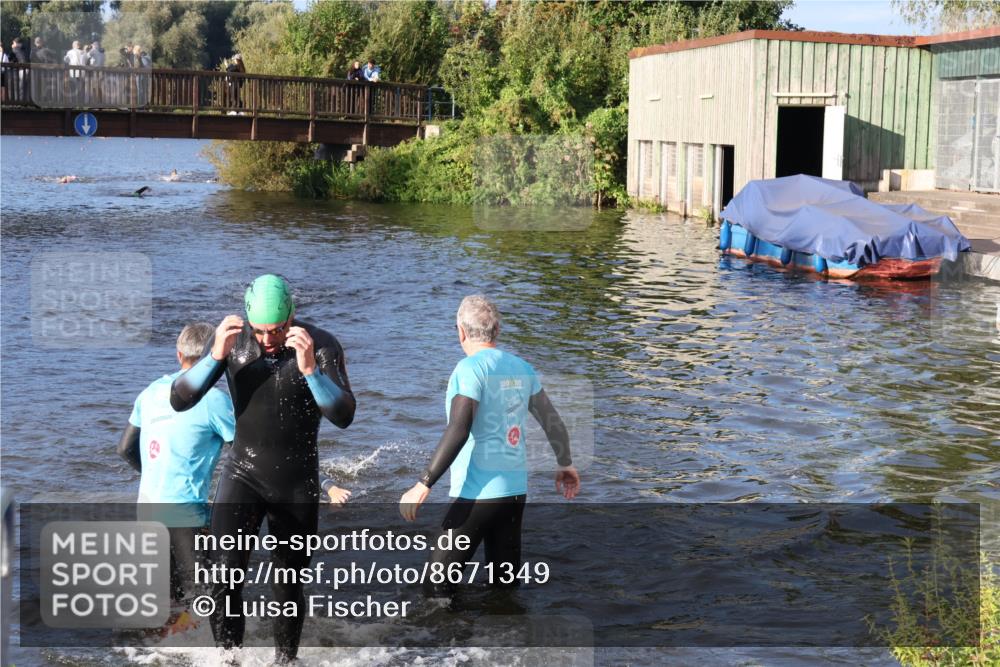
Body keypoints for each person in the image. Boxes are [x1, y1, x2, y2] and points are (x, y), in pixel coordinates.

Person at [170, 274, 356, 664]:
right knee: (223, 577)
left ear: (292, 314)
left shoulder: (321, 345)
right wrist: (214, 356)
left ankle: (285, 661)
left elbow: (343, 414)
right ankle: (229, 660)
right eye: (260, 331)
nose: (269, 339)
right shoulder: (233, 341)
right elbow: (180, 399)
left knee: (287, 584)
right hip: (242, 474)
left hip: (296, 481)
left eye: (277, 330)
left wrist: (310, 372)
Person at [399, 295, 580, 596]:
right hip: (514, 494)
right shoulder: (522, 368)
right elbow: (553, 421)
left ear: (460, 331)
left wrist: (424, 483)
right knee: (503, 588)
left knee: (435, 588)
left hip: (475, 496)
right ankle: (503, 638)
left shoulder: (469, 369)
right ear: (497, 331)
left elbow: (459, 427)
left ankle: (453, 642)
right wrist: (565, 463)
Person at [117, 323, 236, 616]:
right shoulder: (214, 400)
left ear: (178, 354)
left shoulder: (151, 392)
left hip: (147, 510)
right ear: (217, 357)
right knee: (203, 601)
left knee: (167, 602)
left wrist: (159, 475)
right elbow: (246, 454)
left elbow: (124, 449)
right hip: (187, 514)